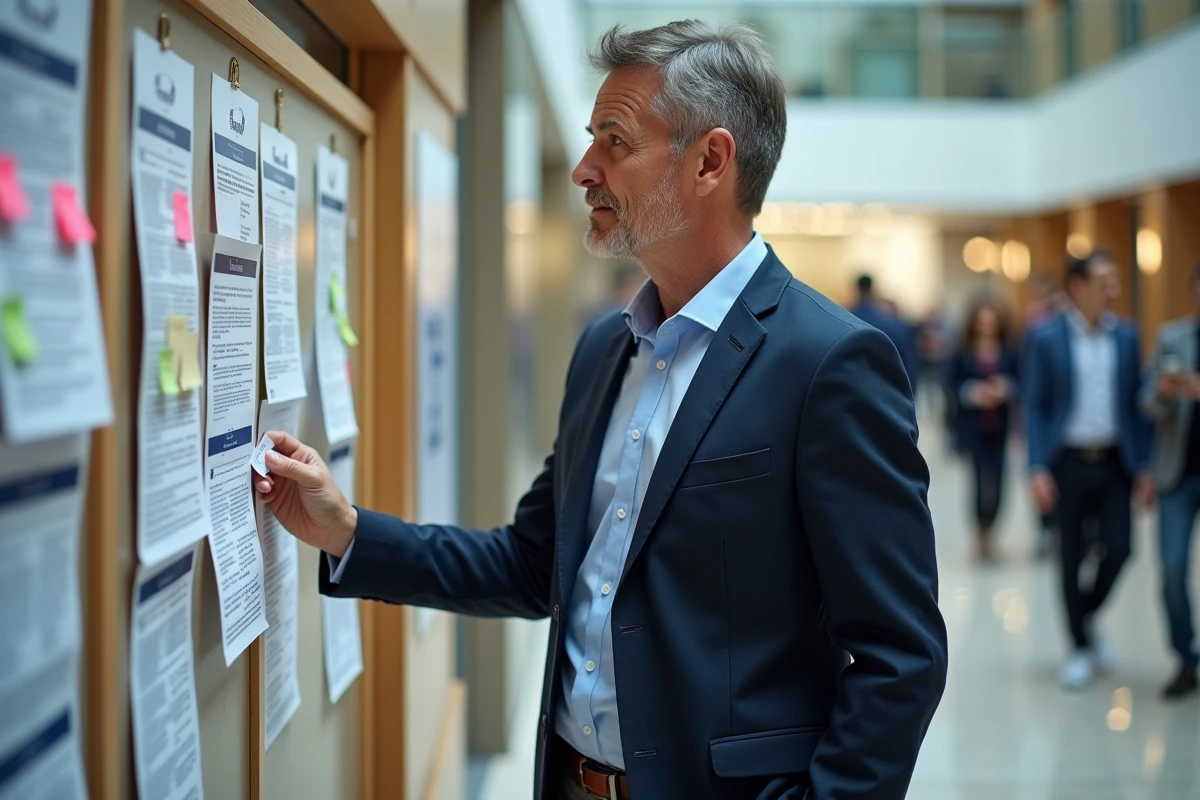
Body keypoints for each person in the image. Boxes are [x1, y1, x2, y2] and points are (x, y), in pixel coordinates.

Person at [257, 21, 947, 800]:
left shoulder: (827, 363)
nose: (585, 169)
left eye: (614, 142)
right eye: (591, 140)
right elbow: (531, 564)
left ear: (710, 162)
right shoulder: (602, 352)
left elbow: (900, 654)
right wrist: (346, 531)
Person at [1024, 252, 1154, 690]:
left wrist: (1145, 466)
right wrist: (1037, 467)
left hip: (1115, 461)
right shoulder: (1046, 338)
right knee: (1071, 556)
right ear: (1078, 286)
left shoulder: (1127, 338)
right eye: (1105, 282)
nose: (1113, 290)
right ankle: (1079, 645)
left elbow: (1136, 405)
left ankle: (1087, 614)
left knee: (1120, 550)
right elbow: (1035, 406)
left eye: (1115, 282)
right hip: (1068, 462)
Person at [1140, 259, 1200, 699]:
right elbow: (1145, 403)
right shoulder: (1172, 337)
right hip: (1177, 474)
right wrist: (1163, 393)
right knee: (1172, 570)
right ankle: (1185, 656)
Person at [946, 298, 1019, 562]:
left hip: (999, 428)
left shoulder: (1009, 351)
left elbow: (1022, 380)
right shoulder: (963, 351)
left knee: (999, 484)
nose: (987, 326)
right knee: (978, 483)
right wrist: (972, 393)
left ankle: (991, 530)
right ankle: (980, 533)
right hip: (974, 428)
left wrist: (1006, 388)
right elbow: (951, 385)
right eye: (982, 321)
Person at [849, 274, 919, 388]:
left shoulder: (845, 319)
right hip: (885, 388)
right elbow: (908, 365)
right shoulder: (892, 325)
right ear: (872, 290)